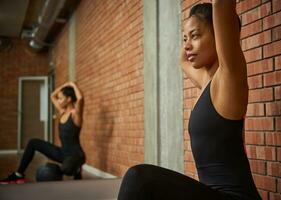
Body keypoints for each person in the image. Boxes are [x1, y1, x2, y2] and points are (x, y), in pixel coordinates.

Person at [117, 1, 262, 200]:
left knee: (140, 178)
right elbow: (183, 60)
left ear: (219, 36)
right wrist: (189, 27)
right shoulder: (205, 84)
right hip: (212, 194)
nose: (186, 45)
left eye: (195, 36)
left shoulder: (229, 79)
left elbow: (221, 4)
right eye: (185, 38)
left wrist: (220, 20)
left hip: (235, 197)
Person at [0, 82, 86, 184]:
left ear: (69, 99)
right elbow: (52, 95)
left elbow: (80, 99)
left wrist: (72, 84)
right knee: (33, 142)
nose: (58, 100)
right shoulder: (62, 111)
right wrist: (64, 85)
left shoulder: (75, 115)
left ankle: (76, 169)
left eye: (61, 98)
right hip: (63, 153)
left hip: (76, 155)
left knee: (66, 169)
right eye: (59, 98)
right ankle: (18, 175)